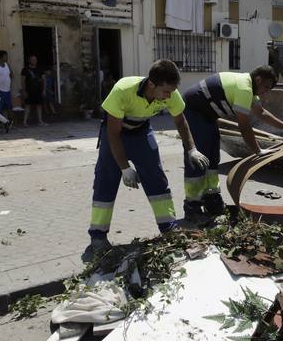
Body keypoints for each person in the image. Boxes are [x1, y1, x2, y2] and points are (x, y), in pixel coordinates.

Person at [86, 59, 208, 256]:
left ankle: (168, 228)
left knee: (156, 177)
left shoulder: (170, 93)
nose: (169, 96)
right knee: (106, 180)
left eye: (172, 91)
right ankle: (98, 236)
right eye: (166, 92)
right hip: (115, 134)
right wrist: (124, 168)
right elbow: (113, 134)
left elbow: (180, 121)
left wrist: (192, 149)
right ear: (151, 84)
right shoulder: (123, 90)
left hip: (141, 132)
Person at [181, 66, 283, 220]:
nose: (266, 92)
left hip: (206, 115)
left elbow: (261, 112)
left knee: (212, 157)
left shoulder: (249, 87)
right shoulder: (244, 88)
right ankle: (192, 206)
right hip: (194, 110)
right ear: (258, 80)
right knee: (199, 157)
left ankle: (212, 200)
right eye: (266, 87)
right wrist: (258, 150)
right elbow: (244, 126)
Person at [21, 54, 46, 127]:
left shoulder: (40, 69)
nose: (34, 61)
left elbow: (44, 80)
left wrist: (44, 90)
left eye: (35, 59)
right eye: (32, 59)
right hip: (29, 90)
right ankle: (24, 122)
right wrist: (24, 91)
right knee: (27, 106)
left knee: (39, 105)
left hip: (38, 90)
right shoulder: (25, 69)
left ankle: (40, 121)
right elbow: (22, 81)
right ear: (29, 60)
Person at [0, 50, 13, 121]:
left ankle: (6, 123)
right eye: (5, 56)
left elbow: (11, 74)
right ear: (1, 57)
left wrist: (8, 82)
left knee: (8, 108)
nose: (7, 57)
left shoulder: (7, 65)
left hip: (7, 91)